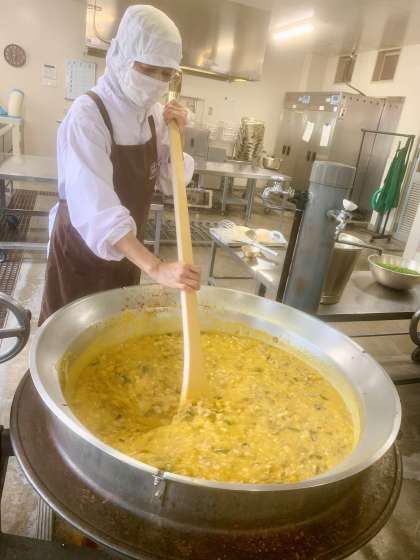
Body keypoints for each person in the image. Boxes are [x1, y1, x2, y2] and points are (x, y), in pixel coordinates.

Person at [38, 4, 200, 325]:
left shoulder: (155, 116)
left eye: (166, 74)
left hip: (129, 252)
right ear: (121, 56)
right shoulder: (87, 115)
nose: (157, 81)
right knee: (69, 335)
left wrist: (177, 136)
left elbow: (171, 182)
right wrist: (156, 267)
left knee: (115, 329)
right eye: (148, 69)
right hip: (80, 253)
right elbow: (98, 211)